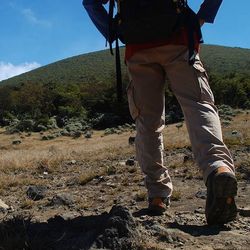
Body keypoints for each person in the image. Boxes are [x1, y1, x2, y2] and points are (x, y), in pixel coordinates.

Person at [82, 0, 238, 225]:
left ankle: (157, 195)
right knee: (198, 106)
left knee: (148, 122)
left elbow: (90, 1)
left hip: (138, 48)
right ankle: (218, 169)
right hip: (179, 40)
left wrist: (113, 31)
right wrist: (201, 17)